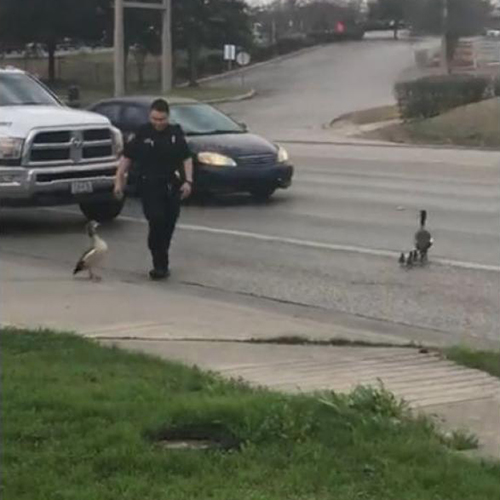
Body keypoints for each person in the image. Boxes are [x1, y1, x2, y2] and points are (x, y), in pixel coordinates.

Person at [114, 98, 193, 280]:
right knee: (156, 220)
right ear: (150, 116)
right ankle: (160, 265)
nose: (158, 123)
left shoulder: (175, 134)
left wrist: (188, 181)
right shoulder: (143, 133)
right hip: (149, 185)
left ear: (168, 117)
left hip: (171, 185)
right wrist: (119, 181)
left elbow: (186, 158)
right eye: (155, 119)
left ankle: (161, 254)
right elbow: (127, 158)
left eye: (162, 119)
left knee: (169, 224)